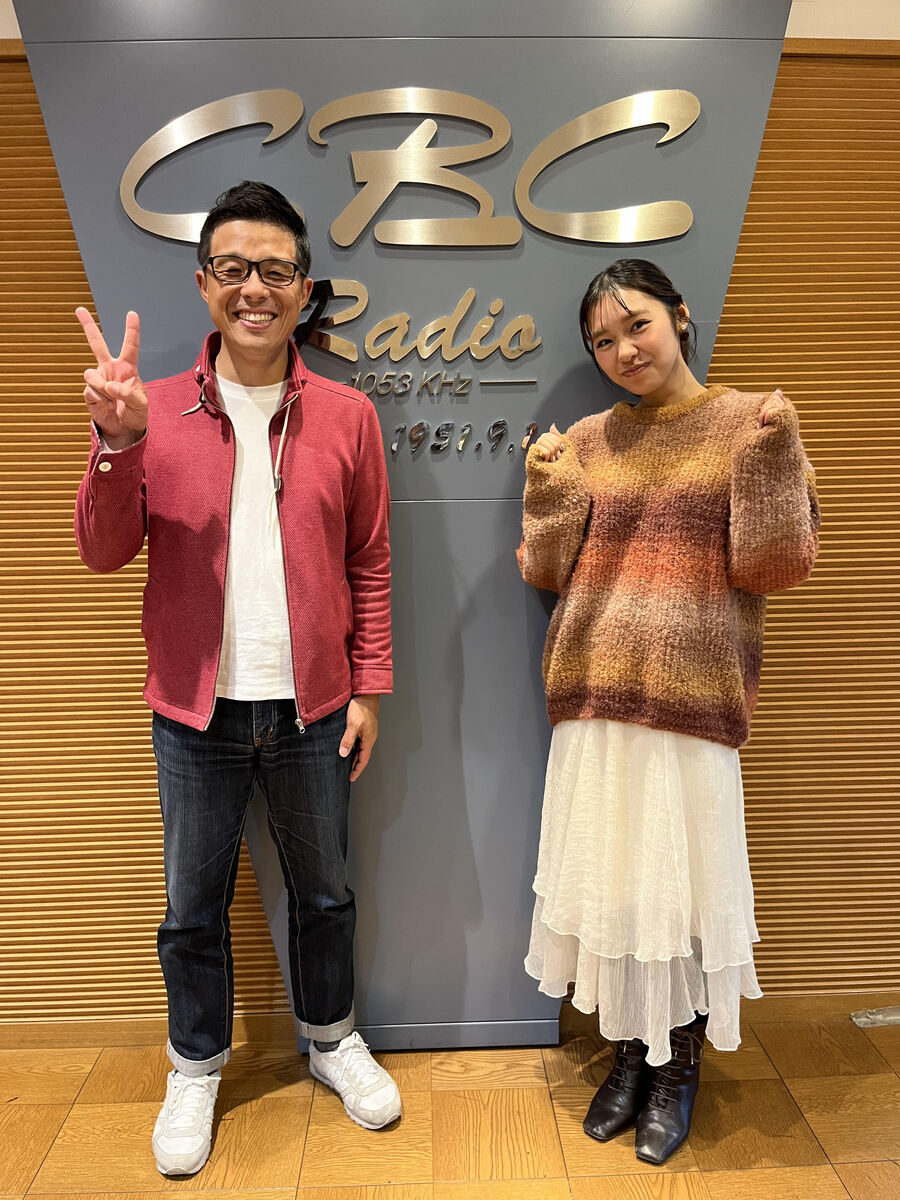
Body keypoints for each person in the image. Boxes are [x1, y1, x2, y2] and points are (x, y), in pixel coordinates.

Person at [74, 181, 400, 1177]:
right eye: (232, 268)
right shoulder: (153, 410)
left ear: (303, 287)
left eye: (274, 270)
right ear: (204, 283)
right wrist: (118, 445)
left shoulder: (347, 414)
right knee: (191, 907)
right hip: (193, 711)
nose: (253, 287)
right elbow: (102, 552)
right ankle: (196, 1064)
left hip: (314, 708)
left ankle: (331, 1038)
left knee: (325, 893)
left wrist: (369, 687)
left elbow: (370, 560)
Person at [518, 258, 819, 1165]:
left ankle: (677, 1066)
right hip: (595, 696)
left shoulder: (750, 422)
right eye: (602, 340)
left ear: (681, 316)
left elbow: (777, 566)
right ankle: (628, 1054)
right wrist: (549, 484)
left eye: (636, 324)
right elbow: (546, 570)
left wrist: (772, 460)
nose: (623, 350)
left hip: (693, 706)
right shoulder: (589, 439)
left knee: (680, 895)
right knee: (615, 890)